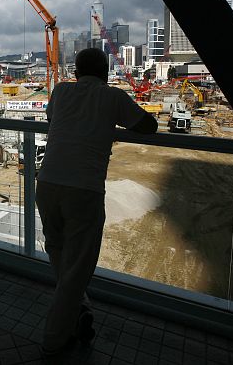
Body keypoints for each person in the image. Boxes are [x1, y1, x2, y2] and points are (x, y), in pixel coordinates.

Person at [36, 47, 158, 356]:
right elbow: (148, 126)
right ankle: (54, 339)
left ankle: (80, 311)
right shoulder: (113, 97)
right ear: (105, 73)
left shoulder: (61, 91)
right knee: (77, 267)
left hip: (47, 184)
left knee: (59, 253)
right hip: (84, 191)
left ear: (76, 72)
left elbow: (52, 118)